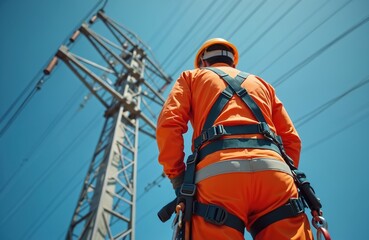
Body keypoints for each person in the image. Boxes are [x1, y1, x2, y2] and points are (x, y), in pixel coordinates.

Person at [156, 38, 313, 239]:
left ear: (203, 61)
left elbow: (169, 124)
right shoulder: (262, 84)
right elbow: (291, 140)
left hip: (216, 175)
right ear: (233, 62)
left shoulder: (192, 77)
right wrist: (281, 174)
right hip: (275, 175)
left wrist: (178, 178)